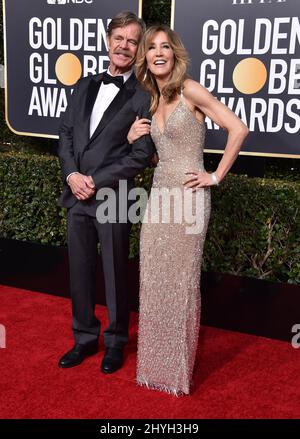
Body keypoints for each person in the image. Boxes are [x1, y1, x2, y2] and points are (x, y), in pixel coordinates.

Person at [127, 24, 249, 395]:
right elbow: (160, 157)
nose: (158, 52)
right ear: (145, 57)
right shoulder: (152, 98)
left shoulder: (190, 90)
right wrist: (136, 140)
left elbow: (238, 128)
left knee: (181, 284)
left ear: (175, 54)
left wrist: (215, 177)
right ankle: (153, 369)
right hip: (160, 198)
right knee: (154, 280)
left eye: (165, 46)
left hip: (190, 200)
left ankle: (176, 373)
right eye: (151, 47)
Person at [57, 11, 155, 374]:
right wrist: (71, 175)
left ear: (138, 48)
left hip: (116, 195)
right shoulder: (84, 85)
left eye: (132, 41)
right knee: (79, 271)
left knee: (115, 272)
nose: (124, 46)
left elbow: (142, 155)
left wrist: (95, 180)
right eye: (119, 38)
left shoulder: (143, 96)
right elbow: (65, 134)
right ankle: (83, 338)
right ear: (108, 40)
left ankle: (115, 342)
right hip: (76, 193)